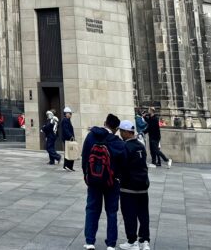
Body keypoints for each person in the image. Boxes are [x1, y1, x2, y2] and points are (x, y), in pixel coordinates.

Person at [81, 113, 127, 250]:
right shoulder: (117, 142)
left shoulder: (91, 136)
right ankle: (111, 244)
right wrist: (118, 177)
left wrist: (87, 176)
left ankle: (90, 242)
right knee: (111, 212)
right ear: (116, 128)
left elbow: (85, 157)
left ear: (105, 122)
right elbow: (123, 162)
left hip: (93, 181)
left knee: (92, 209)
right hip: (111, 182)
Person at [117, 119, 150, 250]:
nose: (120, 133)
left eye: (121, 131)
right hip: (143, 187)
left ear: (126, 132)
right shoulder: (141, 146)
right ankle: (144, 240)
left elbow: (122, 166)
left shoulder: (125, 147)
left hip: (128, 187)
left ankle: (132, 241)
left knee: (129, 214)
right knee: (143, 215)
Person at [60, 107, 78, 171]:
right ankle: (68, 166)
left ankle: (66, 166)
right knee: (70, 152)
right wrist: (71, 136)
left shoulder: (66, 120)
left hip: (68, 139)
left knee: (68, 152)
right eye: (70, 113)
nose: (71, 115)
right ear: (66, 114)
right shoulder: (65, 120)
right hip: (68, 139)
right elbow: (66, 130)